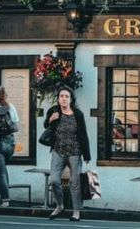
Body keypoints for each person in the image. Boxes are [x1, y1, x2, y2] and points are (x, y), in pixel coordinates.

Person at [45, 86, 91, 221]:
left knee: (75, 182)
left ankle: (76, 211)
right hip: (58, 151)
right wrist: (50, 120)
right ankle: (59, 205)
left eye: (66, 96)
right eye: (61, 96)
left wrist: (87, 155)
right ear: (58, 99)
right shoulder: (53, 111)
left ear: (71, 99)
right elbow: (45, 125)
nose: (64, 99)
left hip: (75, 152)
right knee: (54, 180)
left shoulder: (78, 114)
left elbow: (83, 134)